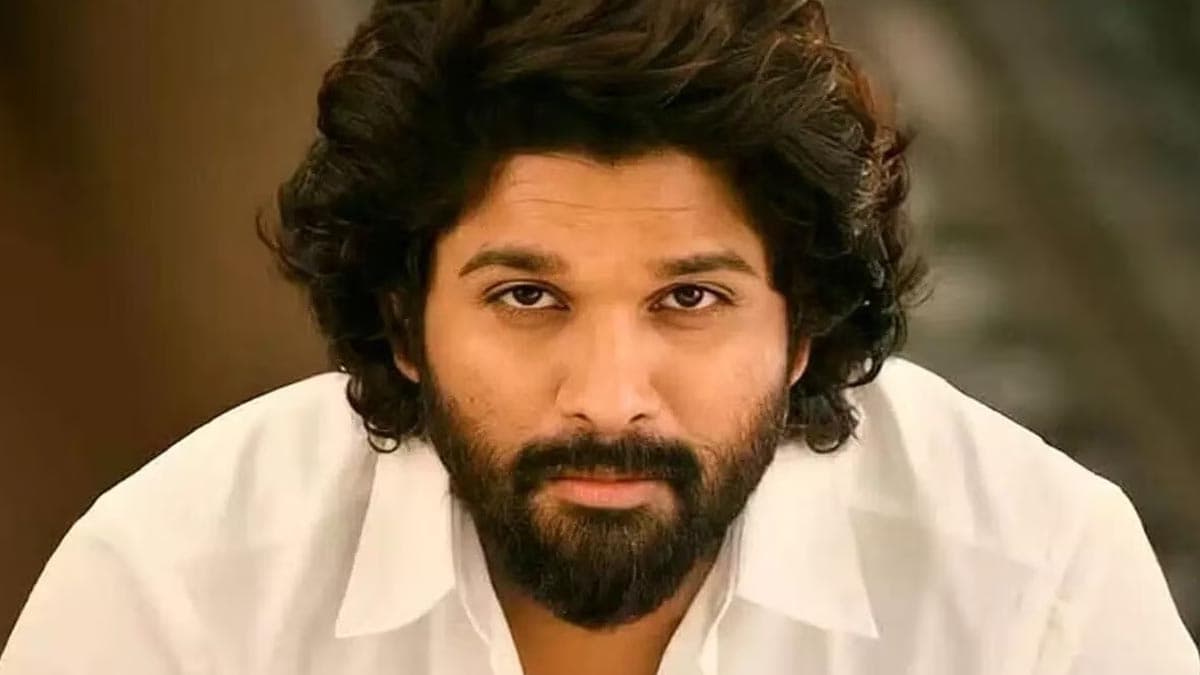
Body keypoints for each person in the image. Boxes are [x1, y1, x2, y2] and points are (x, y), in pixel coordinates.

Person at [3, 0, 1196, 673]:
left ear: (803, 330)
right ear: (403, 323)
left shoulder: (1034, 585)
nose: (611, 395)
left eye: (691, 299)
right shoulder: (178, 591)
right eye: (527, 297)